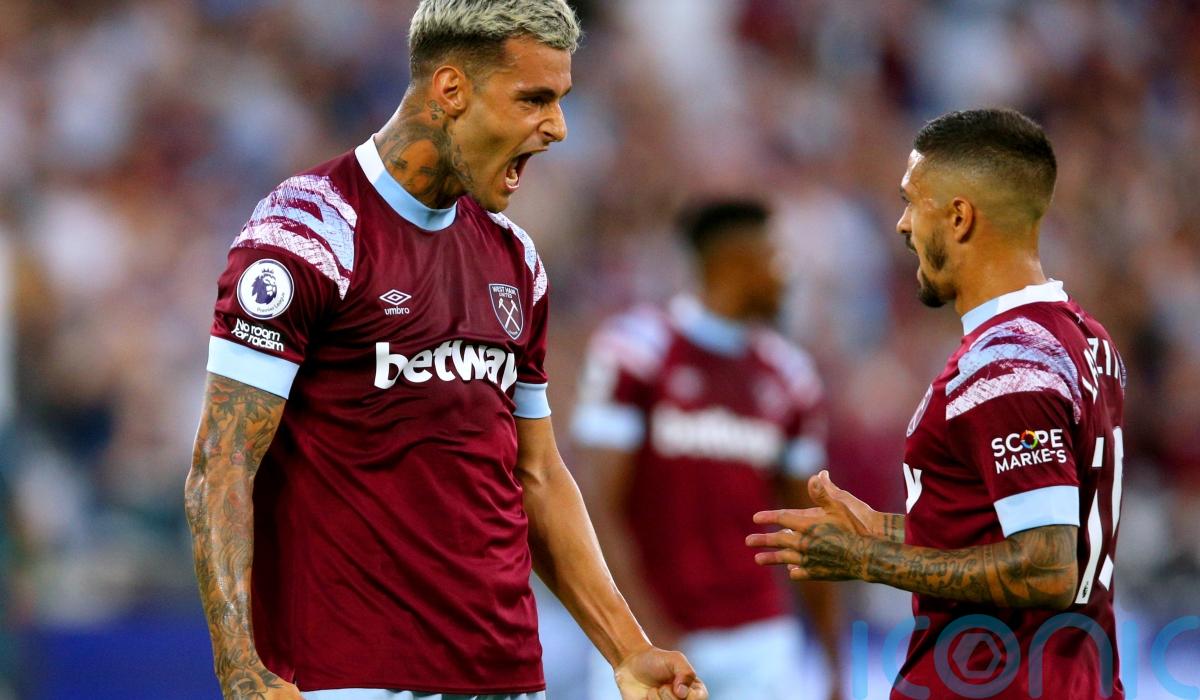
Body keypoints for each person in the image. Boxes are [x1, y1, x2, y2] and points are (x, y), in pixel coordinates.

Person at [184, 2, 708, 699]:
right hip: (350, 676)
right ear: (452, 90)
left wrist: (628, 650)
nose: (558, 127)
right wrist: (239, 667)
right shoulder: (310, 231)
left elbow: (537, 475)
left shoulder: (514, 259)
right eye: (534, 99)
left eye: (559, 100)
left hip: (505, 674)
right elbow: (221, 461)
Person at [747, 108, 1126, 699]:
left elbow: (1046, 567)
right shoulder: (1084, 340)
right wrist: (878, 530)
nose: (902, 225)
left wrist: (866, 561)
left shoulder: (1010, 362)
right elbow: (1006, 530)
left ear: (958, 216)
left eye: (911, 202)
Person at [571, 201, 844, 699]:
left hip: (759, 638)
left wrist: (831, 660)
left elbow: (809, 526)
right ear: (734, 262)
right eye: (776, 257)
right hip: (649, 632)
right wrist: (639, 629)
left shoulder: (790, 376)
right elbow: (598, 507)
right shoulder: (637, 350)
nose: (786, 274)